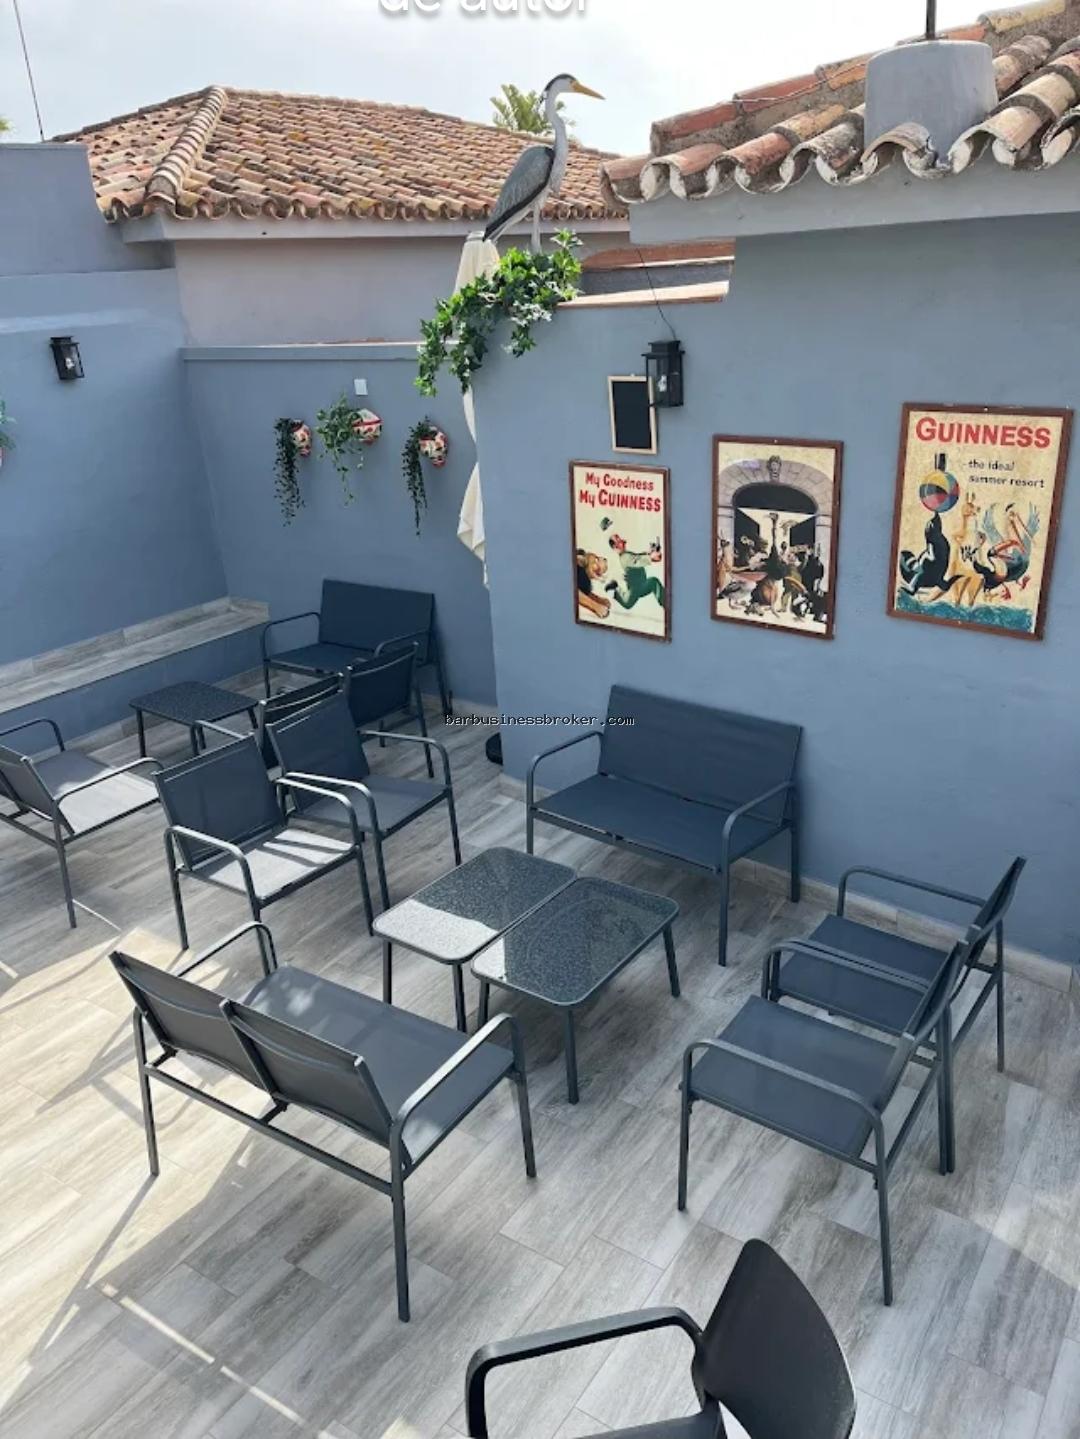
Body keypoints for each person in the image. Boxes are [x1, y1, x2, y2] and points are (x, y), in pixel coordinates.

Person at [605, 534, 665, 610]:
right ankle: (615, 589)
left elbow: (637, 556)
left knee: (653, 582)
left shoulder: (627, 554)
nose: (622, 541)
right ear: (615, 546)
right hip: (635, 588)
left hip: (642, 584)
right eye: (618, 541)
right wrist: (650, 557)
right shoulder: (624, 557)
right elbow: (637, 561)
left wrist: (649, 552)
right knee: (627, 604)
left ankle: (665, 602)